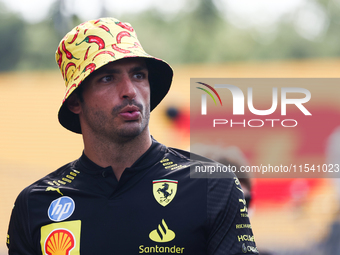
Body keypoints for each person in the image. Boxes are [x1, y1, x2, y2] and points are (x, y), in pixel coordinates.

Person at [7, 17, 258, 255]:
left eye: (139, 75)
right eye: (107, 78)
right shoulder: (35, 204)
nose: (130, 91)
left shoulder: (213, 185)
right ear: (75, 101)